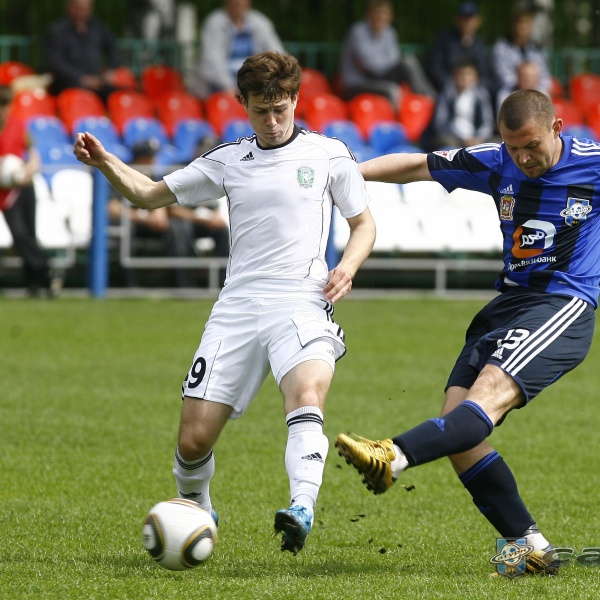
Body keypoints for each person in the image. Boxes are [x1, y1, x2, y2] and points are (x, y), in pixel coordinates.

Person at [335, 89, 600, 575]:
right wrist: (347, 174)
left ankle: (393, 455)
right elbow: (420, 165)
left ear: (556, 128)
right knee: (457, 431)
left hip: (562, 305)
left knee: (483, 399)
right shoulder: (495, 160)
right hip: (506, 306)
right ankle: (531, 547)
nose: (522, 158)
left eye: (532, 146)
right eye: (513, 147)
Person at [74, 51, 376, 554]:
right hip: (237, 306)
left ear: (295, 99)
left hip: (301, 299)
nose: (272, 121)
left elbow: (363, 224)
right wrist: (106, 161)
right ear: (242, 104)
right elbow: (148, 194)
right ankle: (198, 508)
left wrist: (347, 265)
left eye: (280, 109)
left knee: (306, 396)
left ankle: (301, 507)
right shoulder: (228, 160)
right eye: (261, 111)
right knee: (193, 441)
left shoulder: (329, 155)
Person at [110, 139, 231, 288]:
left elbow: (159, 203)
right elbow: (113, 208)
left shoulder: (152, 173)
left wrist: (158, 214)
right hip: (135, 222)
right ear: (140, 158)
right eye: (149, 157)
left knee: (221, 230)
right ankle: (133, 283)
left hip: (156, 222)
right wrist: (147, 218)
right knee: (179, 227)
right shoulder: (125, 173)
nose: (154, 161)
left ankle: (223, 282)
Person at [0, 85, 54, 298]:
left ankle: (36, 283)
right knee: (19, 235)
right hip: (5, 191)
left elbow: (33, 156)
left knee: (29, 234)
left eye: (6, 104)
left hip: (24, 186)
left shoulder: (18, 125)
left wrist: (26, 170)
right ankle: (44, 267)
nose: (4, 109)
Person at [339, 0, 435, 111]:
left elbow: (393, 59)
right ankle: (395, 121)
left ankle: (430, 99)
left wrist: (383, 62)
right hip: (356, 85)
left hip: (378, 79)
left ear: (390, 17)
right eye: (377, 13)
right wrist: (386, 63)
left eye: (383, 14)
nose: (380, 17)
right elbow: (369, 65)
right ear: (368, 15)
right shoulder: (357, 32)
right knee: (392, 90)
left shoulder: (389, 32)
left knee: (409, 61)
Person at [193, 0, 285, 99]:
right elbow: (211, 63)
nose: (239, 2)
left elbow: (278, 55)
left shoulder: (261, 22)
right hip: (220, 88)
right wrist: (230, 87)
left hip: (255, 87)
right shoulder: (214, 23)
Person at [45, 0, 122, 100]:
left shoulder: (97, 28)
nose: (82, 12)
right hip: (69, 85)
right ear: (70, 7)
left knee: (121, 95)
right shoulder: (58, 31)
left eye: (86, 9)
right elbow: (56, 63)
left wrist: (110, 69)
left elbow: (113, 48)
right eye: (79, 8)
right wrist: (81, 78)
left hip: (97, 83)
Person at [422, 60, 495, 152]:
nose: (464, 78)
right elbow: (440, 122)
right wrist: (463, 139)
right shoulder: (446, 94)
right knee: (442, 141)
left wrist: (478, 138)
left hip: (476, 139)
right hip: (453, 138)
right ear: (454, 77)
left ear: (475, 78)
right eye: (461, 74)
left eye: (468, 74)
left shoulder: (481, 95)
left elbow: (487, 122)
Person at [492, 4, 552, 103]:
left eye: (526, 24)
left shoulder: (537, 49)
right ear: (513, 25)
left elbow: (544, 75)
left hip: (534, 88)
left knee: (545, 95)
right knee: (503, 95)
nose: (523, 28)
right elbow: (502, 74)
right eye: (520, 24)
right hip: (511, 89)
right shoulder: (501, 47)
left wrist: (532, 85)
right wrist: (522, 84)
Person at [427, 2, 491, 93]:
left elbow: (484, 72)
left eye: (470, 18)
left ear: (478, 21)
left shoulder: (479, 44)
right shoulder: (445, 40)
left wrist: (474, 86)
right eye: (464, 18)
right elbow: (436, 69)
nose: (467, 22)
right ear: (457, 20)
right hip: (448, 89)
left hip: (474, 90)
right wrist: (453, 85)